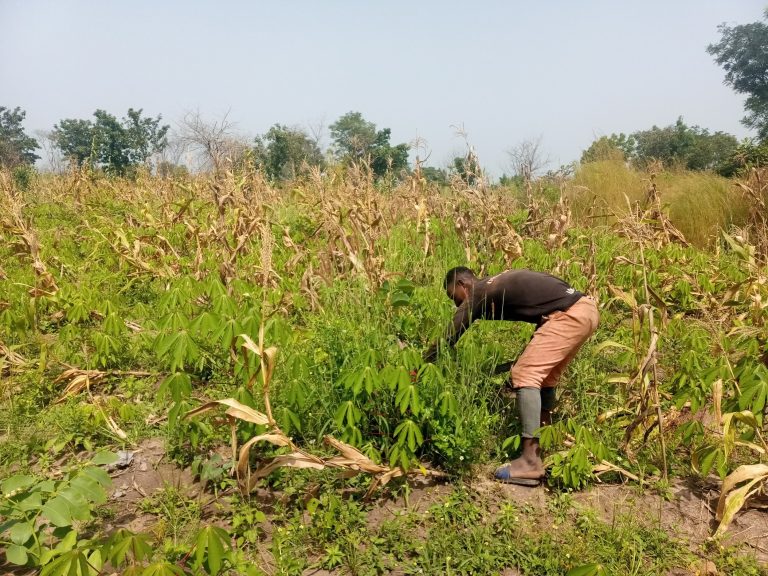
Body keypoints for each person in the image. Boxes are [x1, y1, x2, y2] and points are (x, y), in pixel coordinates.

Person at [424, 266, 599, 485]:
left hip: (568, 315)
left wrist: (419, 366)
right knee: (544, 379)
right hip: (585, 310)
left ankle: (530, 462)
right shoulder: (495, 284)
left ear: (463, 285)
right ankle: (541, 449)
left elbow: (449, 335)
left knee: (526, 374)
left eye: (453, 296)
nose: (455, 304)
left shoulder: (478, 291)